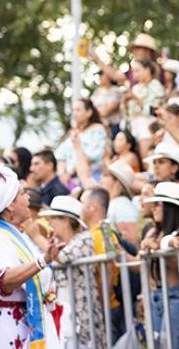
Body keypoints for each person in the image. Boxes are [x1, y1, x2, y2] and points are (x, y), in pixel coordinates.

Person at [0, 166, 62, 348]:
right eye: (22, 193)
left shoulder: (18, 235)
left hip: (26, 326)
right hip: (10, 330)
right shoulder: (2, 236)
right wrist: (42, 261)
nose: (28, 198)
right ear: (9, 204)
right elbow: (4, 280)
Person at [40, 195, 106, 347]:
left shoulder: (84, 239)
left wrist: (35, 234)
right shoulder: (57, 243)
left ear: (66, 220)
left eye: (53, 218)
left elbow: (62, 257)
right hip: (63, 318)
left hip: (83, 318)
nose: (49, 223)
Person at [141, 182, 179, 349]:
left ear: (170, 207)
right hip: (155, 295)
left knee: (172, 344)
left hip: (176, 296)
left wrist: (160, 248)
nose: (153, 208)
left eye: (158, 204)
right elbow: (138, 263)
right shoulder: (152, 231)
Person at [79, 186, 127, 342]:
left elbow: (107, 270)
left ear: (92, 207)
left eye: (82, 202)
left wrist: (101, 306)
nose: (80, 207)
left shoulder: (102, 233)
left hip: (106, 309)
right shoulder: (96, 232)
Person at [54, 99, 109, 185]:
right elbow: (60, 155)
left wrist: (70, 173)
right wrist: (62, 173)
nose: (74, 113)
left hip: (89, 175)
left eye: (78, 110)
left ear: (89, 112)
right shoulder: (72, 132)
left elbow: (92, 156)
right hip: (66, 179)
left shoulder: (98, 129)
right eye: (73, 110)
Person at [123, 58, 165, 155]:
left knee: (145, 155)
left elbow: (154, 111)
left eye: (137, 70)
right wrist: (125, 102)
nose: (135, 74)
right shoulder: (135, 88)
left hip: (148, 125)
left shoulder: (156, 86)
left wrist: (135, 98)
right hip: (134, 126)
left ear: (147, 70)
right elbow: (128, 113)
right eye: (134, 71)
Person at [91, 70, 122, 136]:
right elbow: (89, 108)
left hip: (113, 128)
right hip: (99, 127)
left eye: (101, 75)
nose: (99, 77)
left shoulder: (116, 90)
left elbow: (106, 112)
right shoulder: (97, 91)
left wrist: (95, 112)